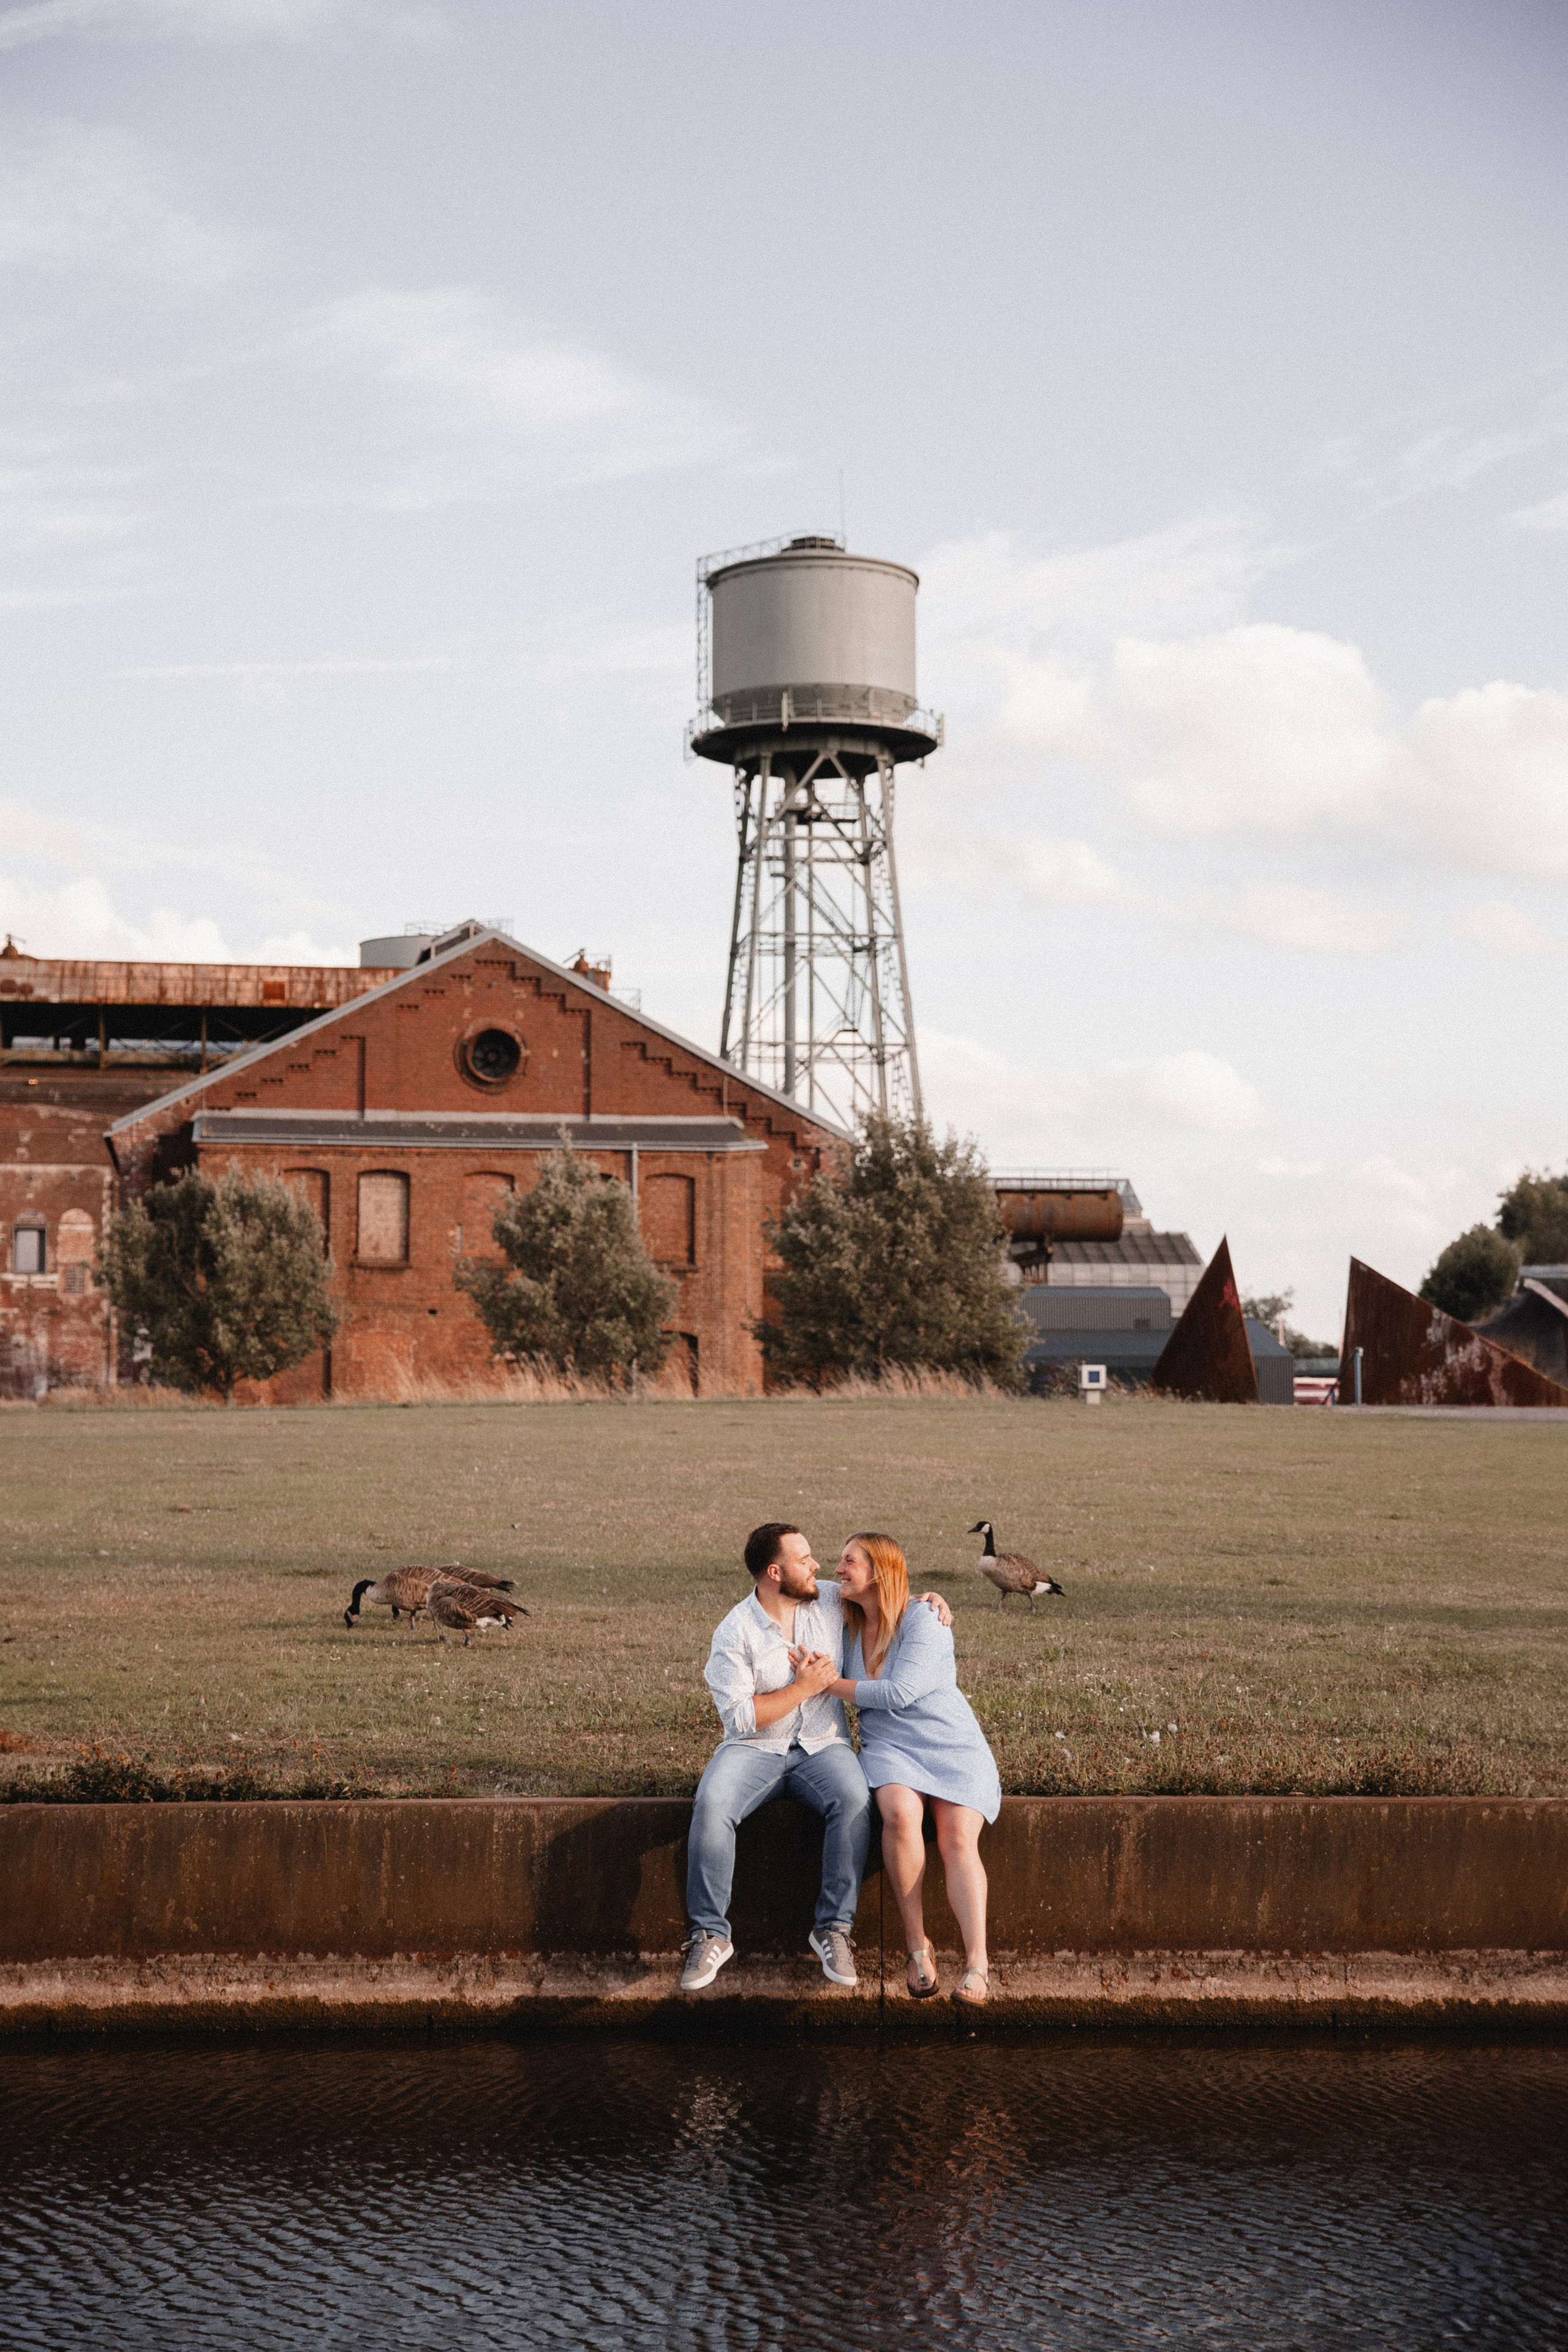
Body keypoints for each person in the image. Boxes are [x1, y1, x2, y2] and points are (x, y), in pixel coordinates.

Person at [682, 1521, 952, 1996]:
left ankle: (834, 1930)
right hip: (754, 1749)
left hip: (824, 1745)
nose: (818, 1565)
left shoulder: (827, 1598)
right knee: (712, 1803)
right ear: (775, 1573)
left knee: (854, 1799)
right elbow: (741, 1719)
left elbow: (881, 1593)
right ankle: (709, 1935)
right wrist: (802, 1689)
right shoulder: (734, 1632)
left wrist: (927, 1603)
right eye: (804, 1559)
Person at [815, 1531, 1001, 2007]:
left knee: (957, 1836)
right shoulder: (845, 1616)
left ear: (879, 1571)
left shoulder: (925, 1619)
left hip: (950, 1744)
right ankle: (918, 1947)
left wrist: (828, 1684)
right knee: (899, 1814)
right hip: (889, 1747)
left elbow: (899, 1693)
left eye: (849, 1561)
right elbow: (792, 1585)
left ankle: (978, 1964)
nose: (838, 1569)